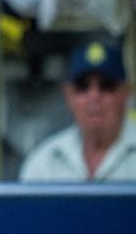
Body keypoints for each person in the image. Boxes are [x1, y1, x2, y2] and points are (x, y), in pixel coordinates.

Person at [20, 39, 136, 181]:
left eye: (106, 85)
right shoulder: (44, 162)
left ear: (125, 93)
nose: (94, 96)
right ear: (68, 94)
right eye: (82, 86)